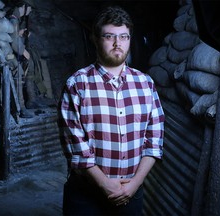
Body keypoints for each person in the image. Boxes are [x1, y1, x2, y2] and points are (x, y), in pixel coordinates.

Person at [57, 6, 165, 216]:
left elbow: (154, 141)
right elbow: (76, 145)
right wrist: (105, 184)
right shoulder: (77, 84)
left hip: (131, 192)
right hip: (85, 195)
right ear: (96, 39)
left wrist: (134, 185)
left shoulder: (145, 83)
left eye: (124, 37)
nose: (118, 44)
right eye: (109, 36)